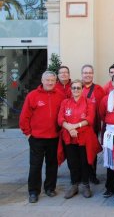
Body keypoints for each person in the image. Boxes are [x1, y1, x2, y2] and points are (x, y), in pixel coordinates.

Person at [19, 71, 66, 203]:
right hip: (37, 138)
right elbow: (24, 117)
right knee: (35, 165)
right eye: (47, 80)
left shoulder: (61, 96)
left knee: (52, 164)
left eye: (52, 80)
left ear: (55, 81)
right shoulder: (32, 96)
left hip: (54, 137)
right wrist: (28, 134)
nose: (50, 83)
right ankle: (33, 191)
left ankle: (50, 188)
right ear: (42, 80)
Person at [58, 79, 101, 199]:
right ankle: (74, 185)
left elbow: (90, 119)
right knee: (72, 162)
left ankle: (86, 185)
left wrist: (74, 126)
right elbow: (60, 119)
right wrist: (69, 128)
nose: (76, 90)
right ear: (71, 90)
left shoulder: (89, 102)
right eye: (74, 88)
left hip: (84, 137)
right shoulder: (65, 102)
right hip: (69, 137)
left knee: (85, 162)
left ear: (82, 89)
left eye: (78, 88)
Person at [80, 64, 106, 184]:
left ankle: (92, 175)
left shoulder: (99, 89)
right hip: (78, 129)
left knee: (92, 152)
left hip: (93, 127)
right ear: (82, 74)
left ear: (93, 74)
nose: (87, 75)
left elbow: (102, 108)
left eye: (90, 72)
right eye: (85, 73)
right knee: (79, 153)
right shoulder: (76, 88)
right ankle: (80, 176)